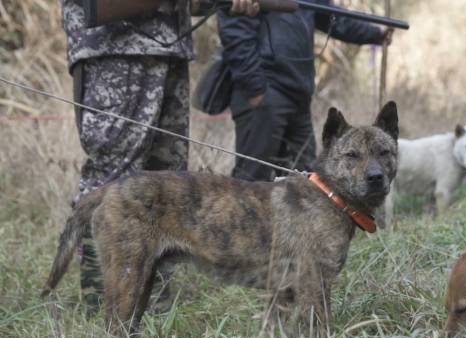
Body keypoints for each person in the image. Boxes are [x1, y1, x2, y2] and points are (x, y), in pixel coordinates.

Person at [60, 0, 259, 317]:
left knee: (166, 190)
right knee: (110, 182)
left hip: (169, 48)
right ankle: (102, 308)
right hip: (116, 48)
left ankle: (150, 308)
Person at [217, 1, 395, 182]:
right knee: (251, 181)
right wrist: (256, 90)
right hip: (265, 94)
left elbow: (333, 17)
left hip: (299, 97)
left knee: (303, 185)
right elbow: (235, 31)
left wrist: (375, 33)